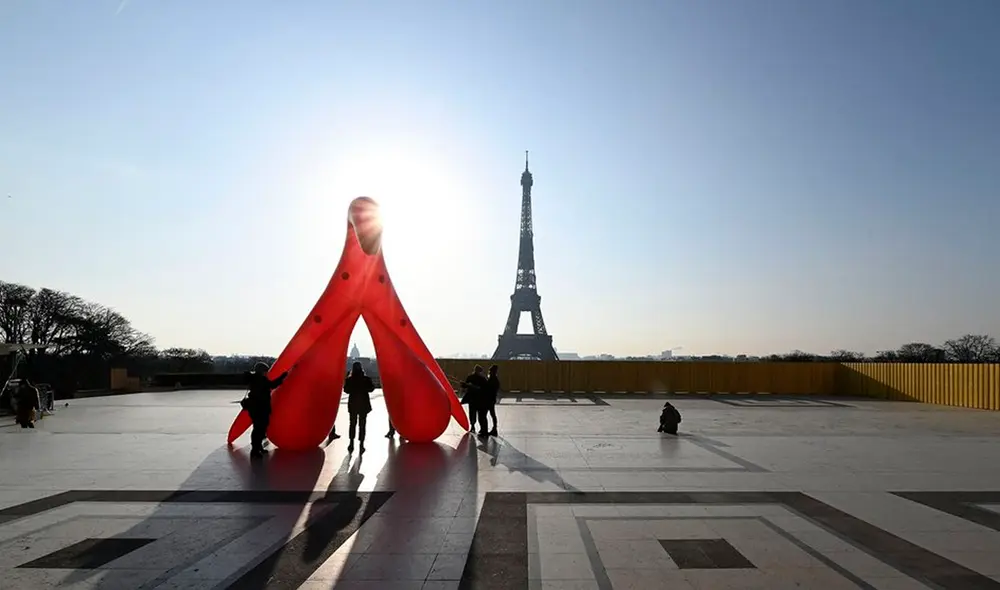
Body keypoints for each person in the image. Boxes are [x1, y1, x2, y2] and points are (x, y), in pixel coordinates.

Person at [243, 362, 290, 458]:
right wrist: (283, 376)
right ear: (261, 371)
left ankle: (258, 448)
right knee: (259, 430)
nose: (266, 373)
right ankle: (255, 451)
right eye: (265, 371)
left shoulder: (255, 379)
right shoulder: (260, 380)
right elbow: (273, 385)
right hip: (259, 409)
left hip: (256, 408)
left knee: (259, 429)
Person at [344, 362, 375, 453]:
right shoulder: (366, 379)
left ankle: (351, 443)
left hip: (353, 404)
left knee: (352, 424)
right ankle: (361, 444)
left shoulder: (349, 380)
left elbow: (346, 390)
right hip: (363, 404)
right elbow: (371, 388)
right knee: (362, 425)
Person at [461, 365, 489, 436]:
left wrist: (465, 385)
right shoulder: (482, 378)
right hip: (479, 399)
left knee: (472, 413)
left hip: (472, 398)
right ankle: (481, 429)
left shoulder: (470, 377)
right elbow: (485, 389)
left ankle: (473, 426)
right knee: (480, 415)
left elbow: (465, 386)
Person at [483, 365, 501, 436]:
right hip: (492, 399)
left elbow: (487, 388)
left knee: (485, 414)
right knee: (492, 414)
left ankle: (485, 430)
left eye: (490, 371)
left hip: (489, 399)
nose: (489, 372)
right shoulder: (495, 380)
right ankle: (494, 429)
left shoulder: (491, 380)